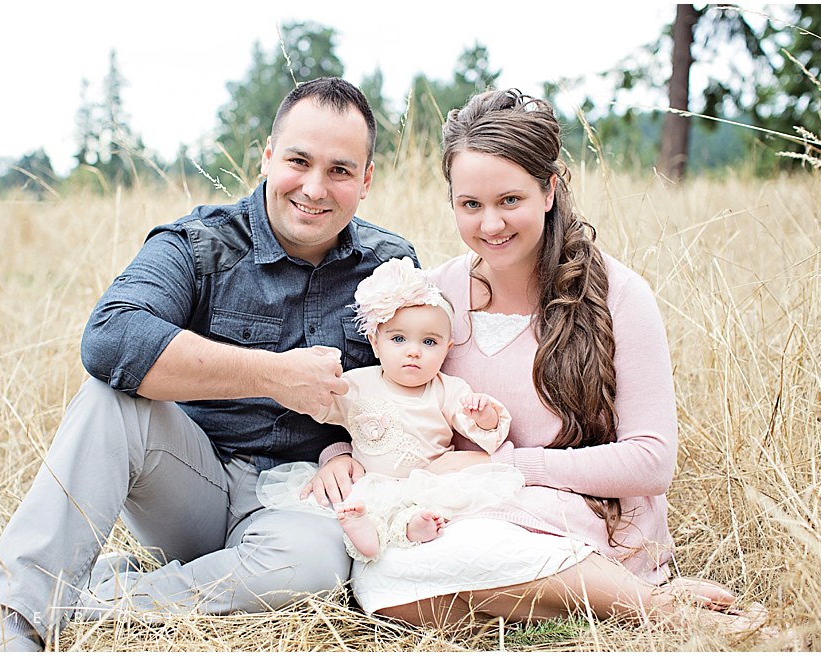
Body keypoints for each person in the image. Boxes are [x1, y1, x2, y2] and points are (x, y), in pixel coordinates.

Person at [0, 77, 418, 652]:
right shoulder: (200, 244)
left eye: (340, 170)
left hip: (299, 501)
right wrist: (273, 375)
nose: (314, 187)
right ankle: (13, 627)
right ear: (268, 157)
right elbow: (110, 336)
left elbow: (414, 385)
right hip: (188, 484)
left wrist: (347, 450)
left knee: (315, 571)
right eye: (298, 161)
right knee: (110, 399)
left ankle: (88, 603)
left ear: (367, 180)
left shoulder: (389, 266)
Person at [305, 88, 769, 636]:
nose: (490, 225)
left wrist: (510, 466)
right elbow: (386, 393)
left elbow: (651, 461)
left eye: (510, 201)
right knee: (383, 573)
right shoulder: (432, 296)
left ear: (549, 190)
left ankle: (648, 606)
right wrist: (339, 451)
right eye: (470, 205)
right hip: (460, 514)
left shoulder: (618, 295)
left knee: (445, 558)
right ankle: (580, 602)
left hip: (580, 516)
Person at [255, 257, 525, 562]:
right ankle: (364, 537)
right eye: (398, 338)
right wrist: (305, 377)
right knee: (366, 510)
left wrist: (483, 415)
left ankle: (413, 529)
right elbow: (317, 403)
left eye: (429, 342)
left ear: (447, 348)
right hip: (371, 483)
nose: (413, 350)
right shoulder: (356, 384)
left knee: (418, 511)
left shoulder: (448, 390)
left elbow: (485, 431)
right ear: (375, 343)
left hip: (426, 482)